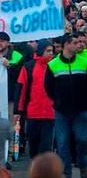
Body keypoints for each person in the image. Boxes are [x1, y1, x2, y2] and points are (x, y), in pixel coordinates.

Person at [44, 33, 87, 178]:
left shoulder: (84, 62)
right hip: (62, 111)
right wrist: (59, 101)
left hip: (81, 110)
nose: (79, 45)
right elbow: (48, 88)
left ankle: (83, 166)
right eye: (75, 43)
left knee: (83, 139)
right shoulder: (53, 65)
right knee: (62, 144)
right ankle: (65, 173)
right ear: (67, 45)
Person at [15, 39, 55, 159]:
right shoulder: (28, 67)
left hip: (50, 113)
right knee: (33, 146)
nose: (51, 53)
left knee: (46, 148)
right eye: (48, 51)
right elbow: (22, 89)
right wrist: (18, 111)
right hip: (32, 113)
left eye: (52, 51)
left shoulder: (55, 66)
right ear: (41, 51)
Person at [0, 31, 23, 118]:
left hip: (9, 97)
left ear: (8, 43)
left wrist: (9, 66)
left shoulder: (17, 56)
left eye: (2, 41)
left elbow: (19, 76)